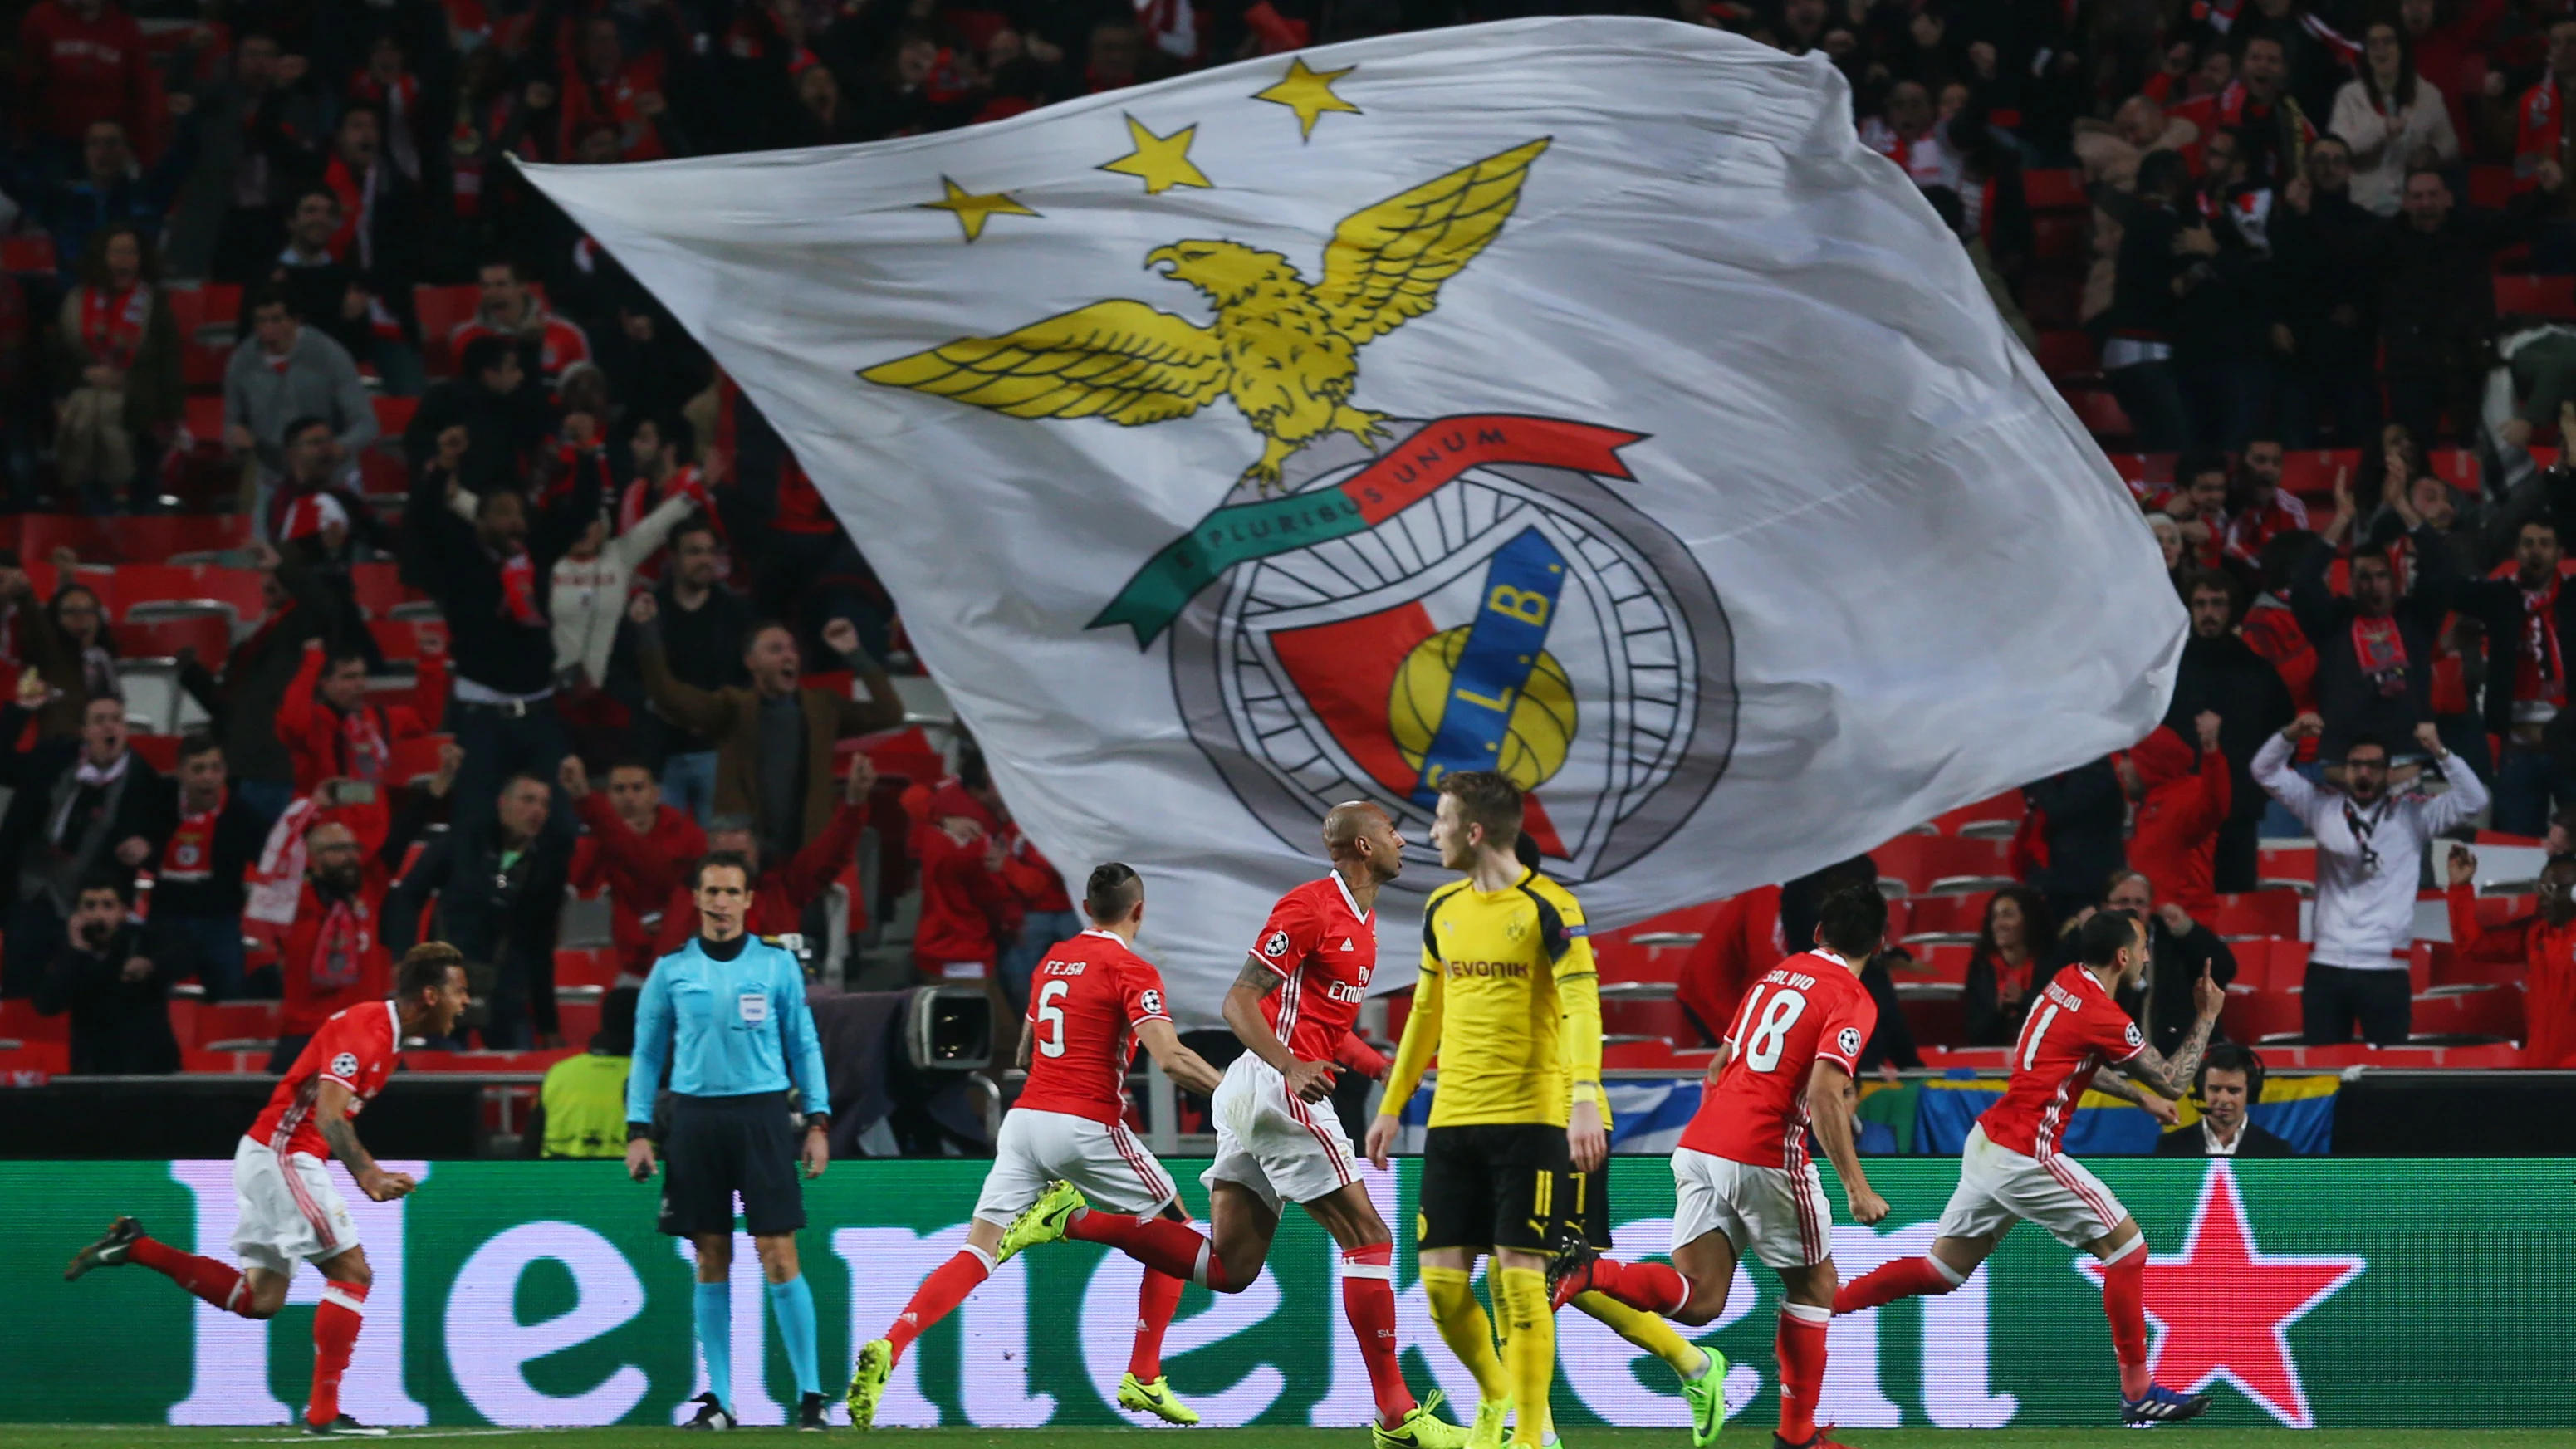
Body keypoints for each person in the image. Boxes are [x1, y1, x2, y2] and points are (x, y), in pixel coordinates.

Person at [1025, 803, 1477, 1443]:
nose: (1404, 839)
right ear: (1363, 845)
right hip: (1272, 1086)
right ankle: (1397, 1416)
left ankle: (1072, 1218)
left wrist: (1377, 1065)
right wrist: (1291, 1066)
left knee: (1230, 1268)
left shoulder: (1363, 920)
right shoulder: (1309, 906)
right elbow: (1238, 1000)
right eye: (1391, 830)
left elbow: (1326, 1022)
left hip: (1253, 1090)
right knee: (1370, 1237)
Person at [850, 866, 1262, 1435]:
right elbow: (1168, 1058)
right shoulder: (1132, 968)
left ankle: (892, 1344)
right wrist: (1239, 1097)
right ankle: (1141, 1367)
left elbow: (1023, 1050)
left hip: (1023, 1122)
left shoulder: (1052, 961)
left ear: (1086, 907)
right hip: (1086, 1124)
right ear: (1138, 911)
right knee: (1181, 1233)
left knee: (978, 1251)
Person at [1830, 910, 2220, 1427]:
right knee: (2128, 1252)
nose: (2148, 955)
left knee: (1941, 1271)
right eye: (2144, 947)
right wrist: (2208, 1014)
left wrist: (2138, 1099)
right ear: (2123, 957)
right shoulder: (2104, 1013)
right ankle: (2138, 1391)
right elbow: (2173, 1079)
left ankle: (1825, 1306)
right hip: (2025, 1153)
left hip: (1989, 1139)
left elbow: (2074, 1059)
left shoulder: (2064, 983)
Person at [64, 944, 471, 1437]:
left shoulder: (388, 1037)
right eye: (460, 992)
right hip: (284, 1154)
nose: (466, 1003)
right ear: (430, 995)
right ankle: (324, 1413)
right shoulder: (367, 1031)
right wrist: (369, 1174)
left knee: (260, 1300)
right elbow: (327, 1114)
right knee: (352, 1272)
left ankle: (137, 1246)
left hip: (271, 1154)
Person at [1545, 886, 1891, 1449]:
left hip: (1702, 1140)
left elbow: (1719, 1062)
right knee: (1816, 1285)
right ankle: (1797, 1437)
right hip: (1764, 1150)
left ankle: (1590, 1272)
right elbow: (1827, 1092)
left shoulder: (1773, 977)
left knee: (1701, 1298)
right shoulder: (1852, 996)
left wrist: (1720, 1141)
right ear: (1880, 942)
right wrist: (1857, 1186)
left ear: (1817, 933)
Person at [1359, 771, 1605, 1449]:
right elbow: (1426, 1013)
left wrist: (1584, 1095)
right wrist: (1393, 1102)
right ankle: (1499, 1398)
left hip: (1530, 1122)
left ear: (1473, 831)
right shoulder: (1443, 908)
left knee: (1523, 1283)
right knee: (1440, 1287)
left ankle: (1530, 1439)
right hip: (1452, 1123)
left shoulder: (1551, 907)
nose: (1428, 832)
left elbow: (1583, 1004)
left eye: (1439, 819)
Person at [624, 852, 834, 1432]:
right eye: (711, 890)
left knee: (778, 1251)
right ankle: (720, 1398)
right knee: (710, 1255)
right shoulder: (670, 969)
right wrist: (638, 1130)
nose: (720, 901)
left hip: (762, 1113)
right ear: (696, 897)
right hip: (694, 1119)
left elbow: (805, 1042)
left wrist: (818, 1120)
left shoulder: (775, 965)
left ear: (748, 900)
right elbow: (646, 1053)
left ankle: (811, 1395)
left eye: (731, 891)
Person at [403, 433, 600, 838]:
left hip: (540, 712)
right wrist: (442, 468)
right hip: (481, 718)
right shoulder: (459, 558)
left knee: (561, 823)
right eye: (504, 513)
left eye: (519, 514)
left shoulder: (535, 554)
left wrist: (586, 453)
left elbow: (582, 511)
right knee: (473, 825)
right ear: (479, 522)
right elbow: (422, 520)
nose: (516, 523)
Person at [2254, 713, 2488, 1044]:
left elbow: (2474, 800)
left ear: (2389, 773)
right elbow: (2263, 770)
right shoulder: (2321, 807)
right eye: (2356, 764)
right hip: (2327, 966)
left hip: (2386, 969)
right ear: (2344, 770)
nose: (2364, 772)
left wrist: (2439, 750)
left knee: (2387, 1073)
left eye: (2374, 766)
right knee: (2322, 1072)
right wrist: (2289, 734)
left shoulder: (2413, 816)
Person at [630, 595, 904, 866]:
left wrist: (855, 653)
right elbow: (669, 696)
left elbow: (890, 713)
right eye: (775, 650)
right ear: (751, 662)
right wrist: (648, 632)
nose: (789, 656)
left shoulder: (822, 707)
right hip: (747, 856)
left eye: (792, 649)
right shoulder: (733, 708)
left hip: (806, 857)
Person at [0, 682, 168, 999]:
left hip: (91, 902)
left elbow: (161, 832)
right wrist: (21, 711)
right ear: (85, 731)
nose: (109, 726)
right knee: (19, 982)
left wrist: (147, 846)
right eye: (100, 720)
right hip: (33, 891)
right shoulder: (54, 758)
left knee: (81, 992)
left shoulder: (143, 780)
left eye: (116, 719)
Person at [384, 774, 575, 1050]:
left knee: (518, 1078)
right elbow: (408, 895)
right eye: (528, 800)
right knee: (445, 1079)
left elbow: (541, 946)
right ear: (502, 803)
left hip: (506, 992)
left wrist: (548, 1025)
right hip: (446, 983)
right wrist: (403, 956)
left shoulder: (547, 864)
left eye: (545, 804)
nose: (537, 811)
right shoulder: (463, 840)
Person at [2290, 472, 2457, 761]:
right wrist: (2342, 518)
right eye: (2364, 577)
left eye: (2381, 575)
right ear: (2351, 583)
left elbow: (2441, 568)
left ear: (2393, 580)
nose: (2373, 584)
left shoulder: (2415, 618)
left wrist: (2403, 506)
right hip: (2344, 756)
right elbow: (2303, 583)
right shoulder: (2333, 622)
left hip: (2407, 754)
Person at [176, 538, 340, 827]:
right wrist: (191, 673)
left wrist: (280, 566)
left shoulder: (301, 624)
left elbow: (326, 608)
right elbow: (228, 708)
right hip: (236, 765)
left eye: (277, 575)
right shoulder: (258, 639)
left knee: (268, 858)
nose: (269, 582)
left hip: (271, 769)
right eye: (265, 574)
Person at [2164, 570, 2295, 891]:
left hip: (2238, 815)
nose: (2208, 613)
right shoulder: (2168, 672)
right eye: (2201, 604)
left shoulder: (2258, 673)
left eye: (2217, 604)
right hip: (2180, 816)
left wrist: (2257, 791)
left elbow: (2282, 737)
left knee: (2236, 909)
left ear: (2231, 609)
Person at [619, 521, 753, 824]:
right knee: (660, 856)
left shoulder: (736, 612)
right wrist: (655, 704)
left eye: (710, 552)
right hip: (659, 755)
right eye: (694, 552)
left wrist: (719, 709)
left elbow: (753, 674)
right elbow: (616, 675)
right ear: (673, 558)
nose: (705, 560)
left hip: (719, 753)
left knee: (721, 860)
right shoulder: (647, 610)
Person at [50, 223, 181, 512]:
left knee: (144, 497)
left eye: (131, 253)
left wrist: (169, 415)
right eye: (117, 253)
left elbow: (168, 362)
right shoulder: (75, 301)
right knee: (93, 497)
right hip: (84, 412)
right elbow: (56, 358)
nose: (125, 261)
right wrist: (85, 374)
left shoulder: (154, 303)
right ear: (102, 257)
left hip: (140, 411)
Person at [2457, 519, 2576, 837]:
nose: (2535, 551)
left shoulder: (2573, 597)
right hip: (2518, 752)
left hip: (2572, 749)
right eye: (2528, 543)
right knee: (2516, 847)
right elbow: (2447, 585)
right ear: (2515, 552)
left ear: (2561, 552)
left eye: (2545, 543)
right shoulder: (2499, 598)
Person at [275, 639, 443, 856]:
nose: (360, 684)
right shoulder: (314, 724)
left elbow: (425, 718)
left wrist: (431, 661)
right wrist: (312, 661)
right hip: (326, 845)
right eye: (349, 677)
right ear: (324, 683)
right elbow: (290, 720)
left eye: (362, 675)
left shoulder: (378, 718)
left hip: (376, 843)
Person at [144, 736, 269, 1001]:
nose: (208, 777)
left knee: (230, 997)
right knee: (150, 997)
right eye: (198, 769)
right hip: (168, 919)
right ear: (180, 772)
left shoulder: (242, 815)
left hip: (220, 922)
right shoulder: (157, 802)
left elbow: (269, 863)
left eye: (215, 768)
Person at [222, 290, 378, 498]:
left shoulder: (328, 355)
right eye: (260, 321)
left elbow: (366, 424)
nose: (268, 328)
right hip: (273, 477)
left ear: (296, 321)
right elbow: (231, 422)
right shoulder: (242, 361)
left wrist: (334, 450)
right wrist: (235, 435)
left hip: (331, 475)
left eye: (276, 319)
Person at [562, 756, 708, 980]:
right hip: (627, 966)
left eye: (637, 788)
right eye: (619, 789)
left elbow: (653, 870)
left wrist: (588, 803)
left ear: (655, 794)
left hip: (685, 962)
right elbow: (575, 885)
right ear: (608, 796)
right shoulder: (596, 843)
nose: (629, 797)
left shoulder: (687, 836)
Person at [2444, 848, 2576, 1070]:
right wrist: (2460, 888)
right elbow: (2473, 945)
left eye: (2553, 888)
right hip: (2538, 1069)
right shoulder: (2534, 934)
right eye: (2541, 887)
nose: (2543, 896)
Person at [33, 875, 179, 1074]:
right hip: (92, 1069)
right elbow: (46, 1005)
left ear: (123, 912)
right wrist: (76, 951)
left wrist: (150, 965)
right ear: (78, 913)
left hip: (148, 1067)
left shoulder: (145, 941)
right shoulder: (67, 950)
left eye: (108, 906)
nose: (99, 915)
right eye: (90, 906)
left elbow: (180, 959)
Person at [2099, 870, 2241, 1055]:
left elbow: (2224, 969)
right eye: (2123, 902)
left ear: (2151, 908)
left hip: (2170, 1059)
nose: (2132, 909)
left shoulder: (2171, 939)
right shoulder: (2089, 941)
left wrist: (2186, 930)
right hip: (2106, 1061)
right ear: (2104, 907)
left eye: (2140, 903)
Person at [2330, 21, 2460, 216]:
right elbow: (2338, 150)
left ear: (2402, 49)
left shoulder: (2428, 94)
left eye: (2387, 41)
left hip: (2412, 207)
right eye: (2373, 44)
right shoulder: (2349, 95)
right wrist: (2381, 130)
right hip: (2362, 205)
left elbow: (2450, 145)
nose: (2380, 49)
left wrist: (2431, 155)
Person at [2123, 714, 2231, 919]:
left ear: (2149, 761)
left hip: (2183, 925)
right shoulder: (2146, 804)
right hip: (2151, 923)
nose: (2121, 768)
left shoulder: (2188, 793)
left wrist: (2212, 753)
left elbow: (2216, 807)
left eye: (2129, 758)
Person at [526, 986, 639, 1158]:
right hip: (632, 1182)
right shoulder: (655, 1079)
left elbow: (528, 1149)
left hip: (560, 1182)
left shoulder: (559, 1073)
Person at [451, 257, 593, 389]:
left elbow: (585, 389)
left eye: (501, 285)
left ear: (522, 286)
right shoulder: (465, 337)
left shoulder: (567, 334)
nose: (492, 292)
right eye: (486, 286)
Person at [2154, 1042, 2293, 1156]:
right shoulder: (2169, 1147)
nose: (2223, 1099)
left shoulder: (2277, 1151)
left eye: (2233, 1091)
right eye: (2215, 1089)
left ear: (2249, 1092)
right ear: (2202, 1090)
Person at [1962, 885, 2055, 1047]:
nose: (1999, 924)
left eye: (2008, 915)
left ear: (2029, 919)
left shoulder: (2053, 964)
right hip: (1993, 1063)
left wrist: (2025, 1000)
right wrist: (1997, 1011)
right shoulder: (1981, 969)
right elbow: (1975, 1033)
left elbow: (2064, 1025)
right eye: (1994, 917)